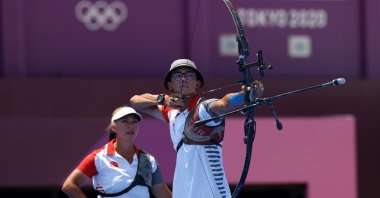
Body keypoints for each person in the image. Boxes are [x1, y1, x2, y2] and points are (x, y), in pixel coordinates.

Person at [130, 59, 263, 198]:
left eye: (189, 75)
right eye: (177, 76)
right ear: (170, 85)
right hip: (183, 192)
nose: (183, 79)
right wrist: (162, 99)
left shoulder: (203, 109)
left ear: (197, 83)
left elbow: (223, 104)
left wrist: (244, 96)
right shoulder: (172, 113)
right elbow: (135, 101)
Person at [62, 106, 172, 198]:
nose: (131, 126)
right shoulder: (99, 157)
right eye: (125, 121)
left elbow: (162, 193)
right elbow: (69, 186)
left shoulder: (148, 160)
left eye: (134, 122)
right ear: (113, 127)